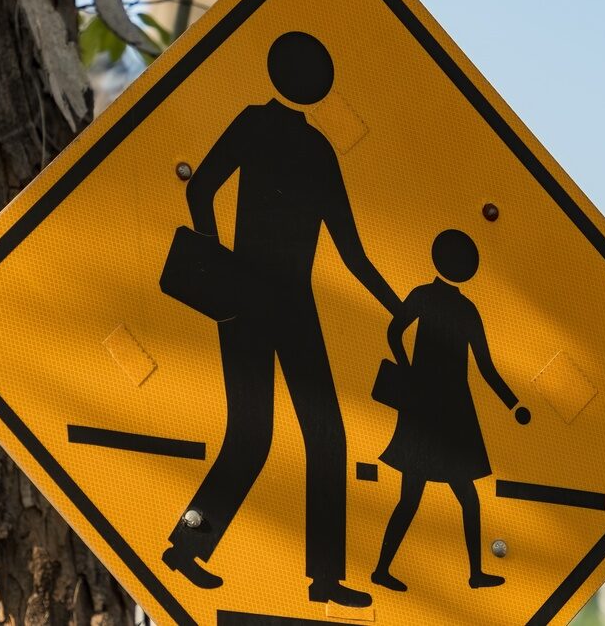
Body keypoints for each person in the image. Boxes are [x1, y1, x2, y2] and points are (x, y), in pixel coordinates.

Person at [161, 32, 399, 608]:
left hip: (270, 300)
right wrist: (398, 308)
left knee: (290, 435)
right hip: (267, 300)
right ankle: (206, 554)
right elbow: (352, 254)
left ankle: (302, 574)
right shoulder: (298, 141)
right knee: (285, 435)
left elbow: (203, 193)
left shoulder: (290, 139)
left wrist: (400, 310)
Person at [371, 229, 530, 592]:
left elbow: (396, 333)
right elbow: (486, 369)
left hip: (437, 410)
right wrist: (514, 405)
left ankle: (462, 572)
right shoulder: (460, 308)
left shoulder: (432, 298)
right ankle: (388, 569)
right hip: (445, 412)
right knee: (444, 497)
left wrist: (408, 368)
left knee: (426, 496)